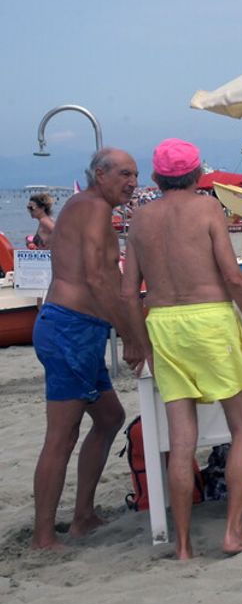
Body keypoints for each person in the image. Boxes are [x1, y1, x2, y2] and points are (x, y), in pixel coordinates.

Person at [119, 139, 242, 560]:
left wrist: (140, 341)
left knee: (181, 442)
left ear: (155, 177)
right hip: (210, 322)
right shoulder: (208, 209)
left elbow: (129, 293)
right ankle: (233, 532)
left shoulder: (139, 219)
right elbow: (234, 277)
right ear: (199, 173)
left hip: (164, 324)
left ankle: (183, 546)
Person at [30, 148, 145, 551]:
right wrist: (130, 334)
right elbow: (97, 278)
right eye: (125, 174)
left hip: (81, 330)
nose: (132, 182)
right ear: (100, 174)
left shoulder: (89, 206)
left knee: (110, 416)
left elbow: (106, 278)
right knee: (61, 436)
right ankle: (44, 537)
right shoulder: (93, 207)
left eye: (136, 174)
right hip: (69, 329)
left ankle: (83, 517)